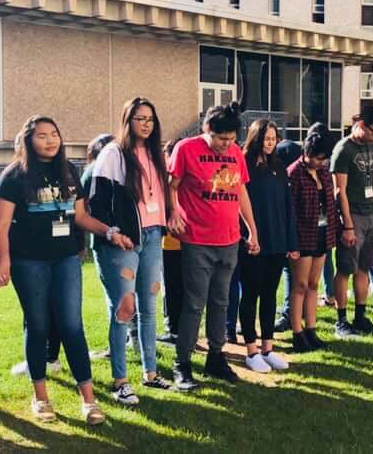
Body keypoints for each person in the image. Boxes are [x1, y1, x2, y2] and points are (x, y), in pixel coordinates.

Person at [0, 115, 109, 424]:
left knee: (72, 326)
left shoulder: (69, 170)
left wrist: (108, 231)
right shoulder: (15, 175)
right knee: (39, 325)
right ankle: (41, 398)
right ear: (29, 140)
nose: (50, 140)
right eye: (42, 135)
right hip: (28, 261)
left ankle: (88, 400)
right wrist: (3, 260)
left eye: (54, 134)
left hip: (66, 258)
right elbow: (1, 224)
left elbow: (81, 216)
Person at [168, 102, 259, 390]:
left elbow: (241, 190)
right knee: (194, 303)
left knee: (221, 301)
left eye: (232, 139)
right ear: (207, 129)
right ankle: (182, 363)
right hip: (197, 240)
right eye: (221, 138)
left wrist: (252, 230)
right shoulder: (186, 148)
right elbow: (171, 185)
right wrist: (173, 213)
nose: (227, 145)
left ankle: (216, 357)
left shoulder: (235, 153)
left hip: (229, 239)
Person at [89, 98, 174, 404]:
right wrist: (115, 233)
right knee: (124, 309)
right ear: (128, 121)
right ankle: (120, 381)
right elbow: (97, 202)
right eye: (139, 118)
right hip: (124, 241)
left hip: (153, 237)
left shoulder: (154, 153)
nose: (146, 124)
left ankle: (151, 374)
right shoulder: (114, 153)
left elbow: (162, 191)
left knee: (149, 307)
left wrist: (170, 214)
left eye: (150, 118)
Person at [330, 105, 373, 338]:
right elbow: (341, 191)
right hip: (354, 215)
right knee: (346, 268)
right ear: (360, 125)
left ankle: (360, 317)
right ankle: (341, 321)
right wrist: (347, 225)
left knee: (364, 268)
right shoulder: (344, 149)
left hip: (371, 214)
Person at [238, 119, 298, 371]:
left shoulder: (279, 167)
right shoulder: (245, 165)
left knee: (269, 295)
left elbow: (287, 206)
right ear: (255, 138)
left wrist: (291, 241)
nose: (270, 142)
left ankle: (268, 347)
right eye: (266, 138)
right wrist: (249, 236)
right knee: (250, 293)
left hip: (277, 241)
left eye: (274, 138)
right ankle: (251, 350)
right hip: (253, 242)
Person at [288, 131, 338, 351]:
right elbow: (289, 211)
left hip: (322, 233)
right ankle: (297, 332)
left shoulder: (325, 173)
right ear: (306, 152)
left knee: (313, 284)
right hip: (302, 235)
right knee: (299, 284)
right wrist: (292, 243)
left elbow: (331, 204)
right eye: (317, 158)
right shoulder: (294, 173)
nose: (320, 162)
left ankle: (311, 328)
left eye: (324, 158)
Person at [158, 137, 184, 345]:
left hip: (170, 241)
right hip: (186, 240)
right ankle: (180, 328)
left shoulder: (168, 175)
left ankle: (174, 329)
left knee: (172, 286)